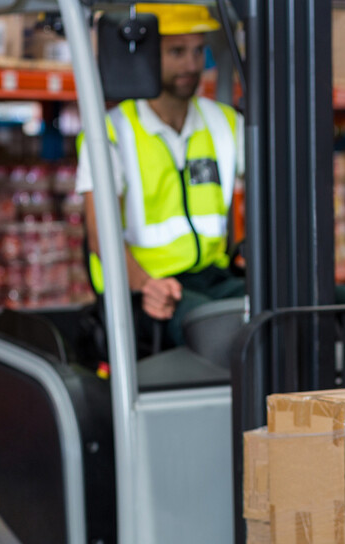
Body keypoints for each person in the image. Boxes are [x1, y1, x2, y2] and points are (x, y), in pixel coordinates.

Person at [76, 4, 245, 347]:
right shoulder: (110, 132)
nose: (191, 65)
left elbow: (274, 196)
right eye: (177, 52)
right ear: (148, 53)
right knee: (223, 335)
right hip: (147, 287)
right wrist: (145, 284)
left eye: (199, 51)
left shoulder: (225, 123)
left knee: (286, 309)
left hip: (212, 277)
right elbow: (99, 235)